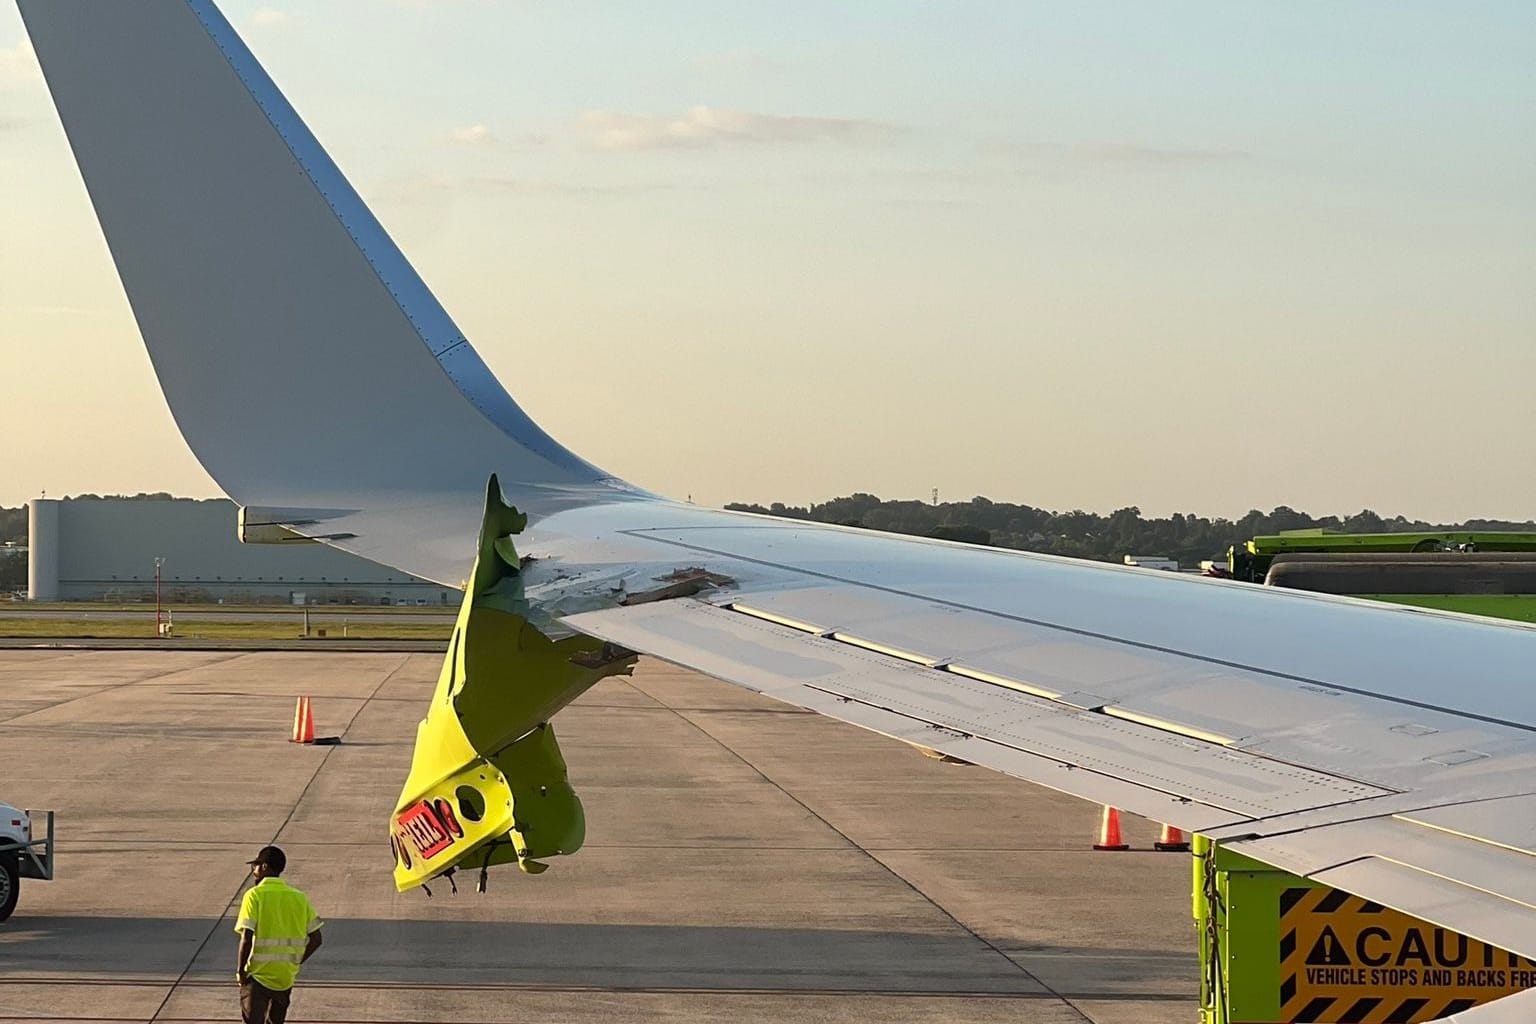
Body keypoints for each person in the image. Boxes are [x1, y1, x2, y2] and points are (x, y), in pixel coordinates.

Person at [234, 845, 324, 1024]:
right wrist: (296, 960)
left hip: (258, 976)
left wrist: (240, 971)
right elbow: (316, 938)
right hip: (284, 977)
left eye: (256, 866)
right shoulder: (299, 897)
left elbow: (247, 937)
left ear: (265, 867)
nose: (254, 871)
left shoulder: (254, 896)